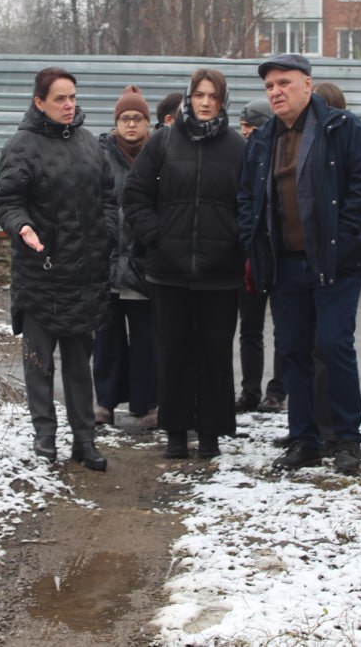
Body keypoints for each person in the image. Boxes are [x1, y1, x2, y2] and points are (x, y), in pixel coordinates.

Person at [239, 53, 361, 475]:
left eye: (283, 83)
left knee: (336, 346)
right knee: (293, 352)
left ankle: (346, 438)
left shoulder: (342, 128)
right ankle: (303, 438)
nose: (276, 92)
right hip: (284, 264)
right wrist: (253, 239)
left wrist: (346, 231)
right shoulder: (264, 139)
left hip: (335, 261)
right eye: (269, 87)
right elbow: (247, 195)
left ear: (307, 84)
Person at [0, 66, 116, 471]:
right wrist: (22, 227)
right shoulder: (21, 146)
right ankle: (45, 439)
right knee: (39, 365)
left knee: (80, 366)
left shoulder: (88, 144)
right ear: (39, 102)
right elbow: (8, 201)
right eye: (60, 98)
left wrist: (107, 234)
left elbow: (108, 198)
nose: (68, 105)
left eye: (73, 97)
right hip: (40, 274)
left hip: (84, 275)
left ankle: (85, 440)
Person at [124, 68, 245, 460]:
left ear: (222, 100)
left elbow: (251, 205)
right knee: (173, 353)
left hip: (220, 274)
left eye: (213, 95)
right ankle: (175, 433)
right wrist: (155, 237)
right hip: (169, 272)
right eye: (199, 95)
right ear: (188, 98)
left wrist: (234, 243)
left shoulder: (238, 147)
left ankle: (210, 435)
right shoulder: (162, 142)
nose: (205, 102)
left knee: (214, 355)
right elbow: (136, 194)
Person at [93, 85, 158, 430]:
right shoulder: (100, 155)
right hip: (107, 262)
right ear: (116, 122)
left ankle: (147, 402)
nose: (131, 124)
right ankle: (104, 402)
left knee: (148, 339)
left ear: (148, 122)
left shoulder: (157, 153)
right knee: (107, 338)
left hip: (144, 263)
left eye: (137, 118)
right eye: (124, 118)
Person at [235, 98, 286, 414]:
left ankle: (278, 391)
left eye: (250, 128)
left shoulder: (284, 157)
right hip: (249, 256)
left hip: (279, 257)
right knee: (249, 328)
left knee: (285, 328)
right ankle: (250, 391)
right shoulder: (239, 158)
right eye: (242, 128)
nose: (244, 134)